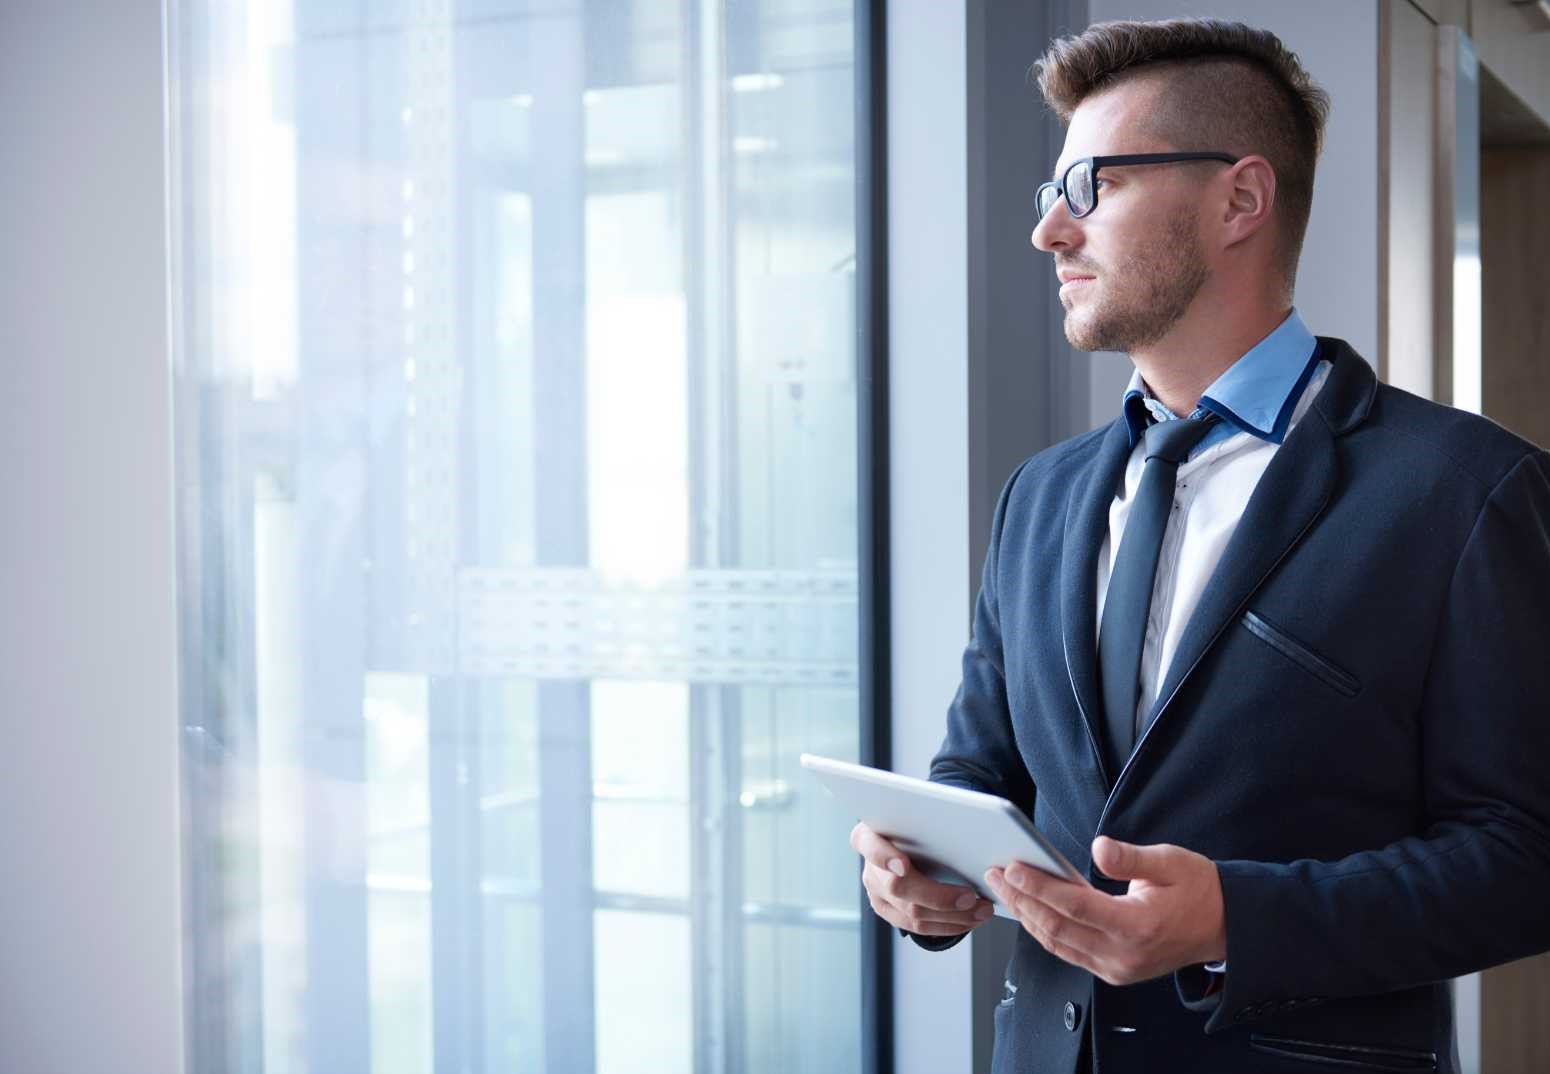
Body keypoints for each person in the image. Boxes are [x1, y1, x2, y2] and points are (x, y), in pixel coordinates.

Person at [849, 16, 1550, 1074]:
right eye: (1050, 195)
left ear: (1239, 198)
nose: (1050, 232)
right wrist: (923, 877)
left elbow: (1524, 857)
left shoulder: (1463, 490)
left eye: (1091, 187)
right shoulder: (1037, 498)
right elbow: (981, 766)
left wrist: (1235, 918)